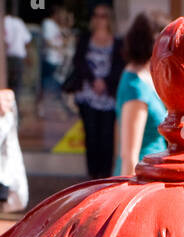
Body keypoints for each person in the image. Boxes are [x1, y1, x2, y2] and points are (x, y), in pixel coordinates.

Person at [65, 3, 123, 179]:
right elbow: (79, 62)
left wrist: (104, 82)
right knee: (91, 136)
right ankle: (93, 175)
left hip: (108, 97)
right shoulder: (85, 39)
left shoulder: (118, 41)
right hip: (87, 95)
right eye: (96, 16)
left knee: (107, 137)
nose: (99, 19)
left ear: (109, 19)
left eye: (103, 15)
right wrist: (94, 80)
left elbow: (119, 66)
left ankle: (105, 175)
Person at [114, 11, 167, 176]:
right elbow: (129, 156)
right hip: (142, 180)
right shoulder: (135, 86)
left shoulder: (143, 77)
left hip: (151, 177)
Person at [4, 0, 33, 101]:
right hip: (17, 58)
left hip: (6, 58)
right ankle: (14, 111)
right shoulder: (18, 22)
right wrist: (28, 56)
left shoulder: (2, 22)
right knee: (16, 88)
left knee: (6, 86)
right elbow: (27, 41)